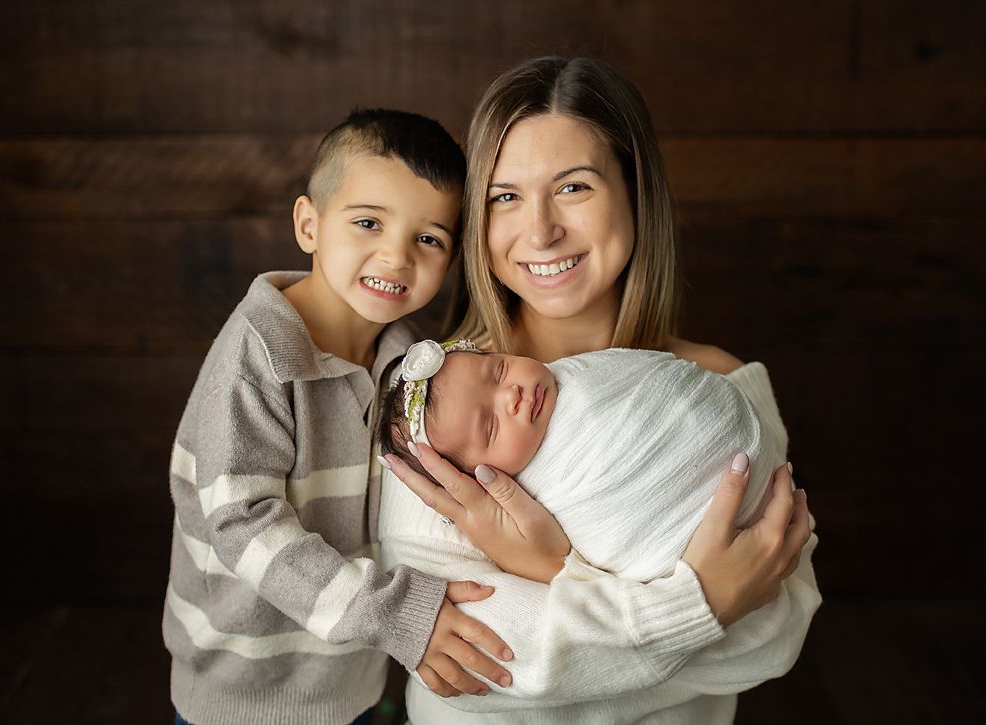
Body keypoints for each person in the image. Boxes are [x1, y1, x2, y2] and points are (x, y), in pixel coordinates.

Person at [377, 57, 818, 723]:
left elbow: (772, 641)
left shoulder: (722, 387)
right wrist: (704, 606)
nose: (540, 230)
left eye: (574, 187)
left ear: (635, 192)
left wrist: (554, 572)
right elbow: (491, 669)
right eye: (504, 197)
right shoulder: (440, 413)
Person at [163, 109, 518, 725]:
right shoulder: (258, 356)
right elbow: (243, 525)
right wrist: (401, 613)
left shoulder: (407, 364)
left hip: (354, 675)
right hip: (245, 692)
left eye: (428, 238)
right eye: (368, 222)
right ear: (309, 224)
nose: (397, 256)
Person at [380, 340, 788, 582]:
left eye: (499, 369)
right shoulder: (507, 512)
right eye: (490, 426)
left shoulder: (585, 371)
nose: (512, 395)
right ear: (469, 481)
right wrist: (553, 568)